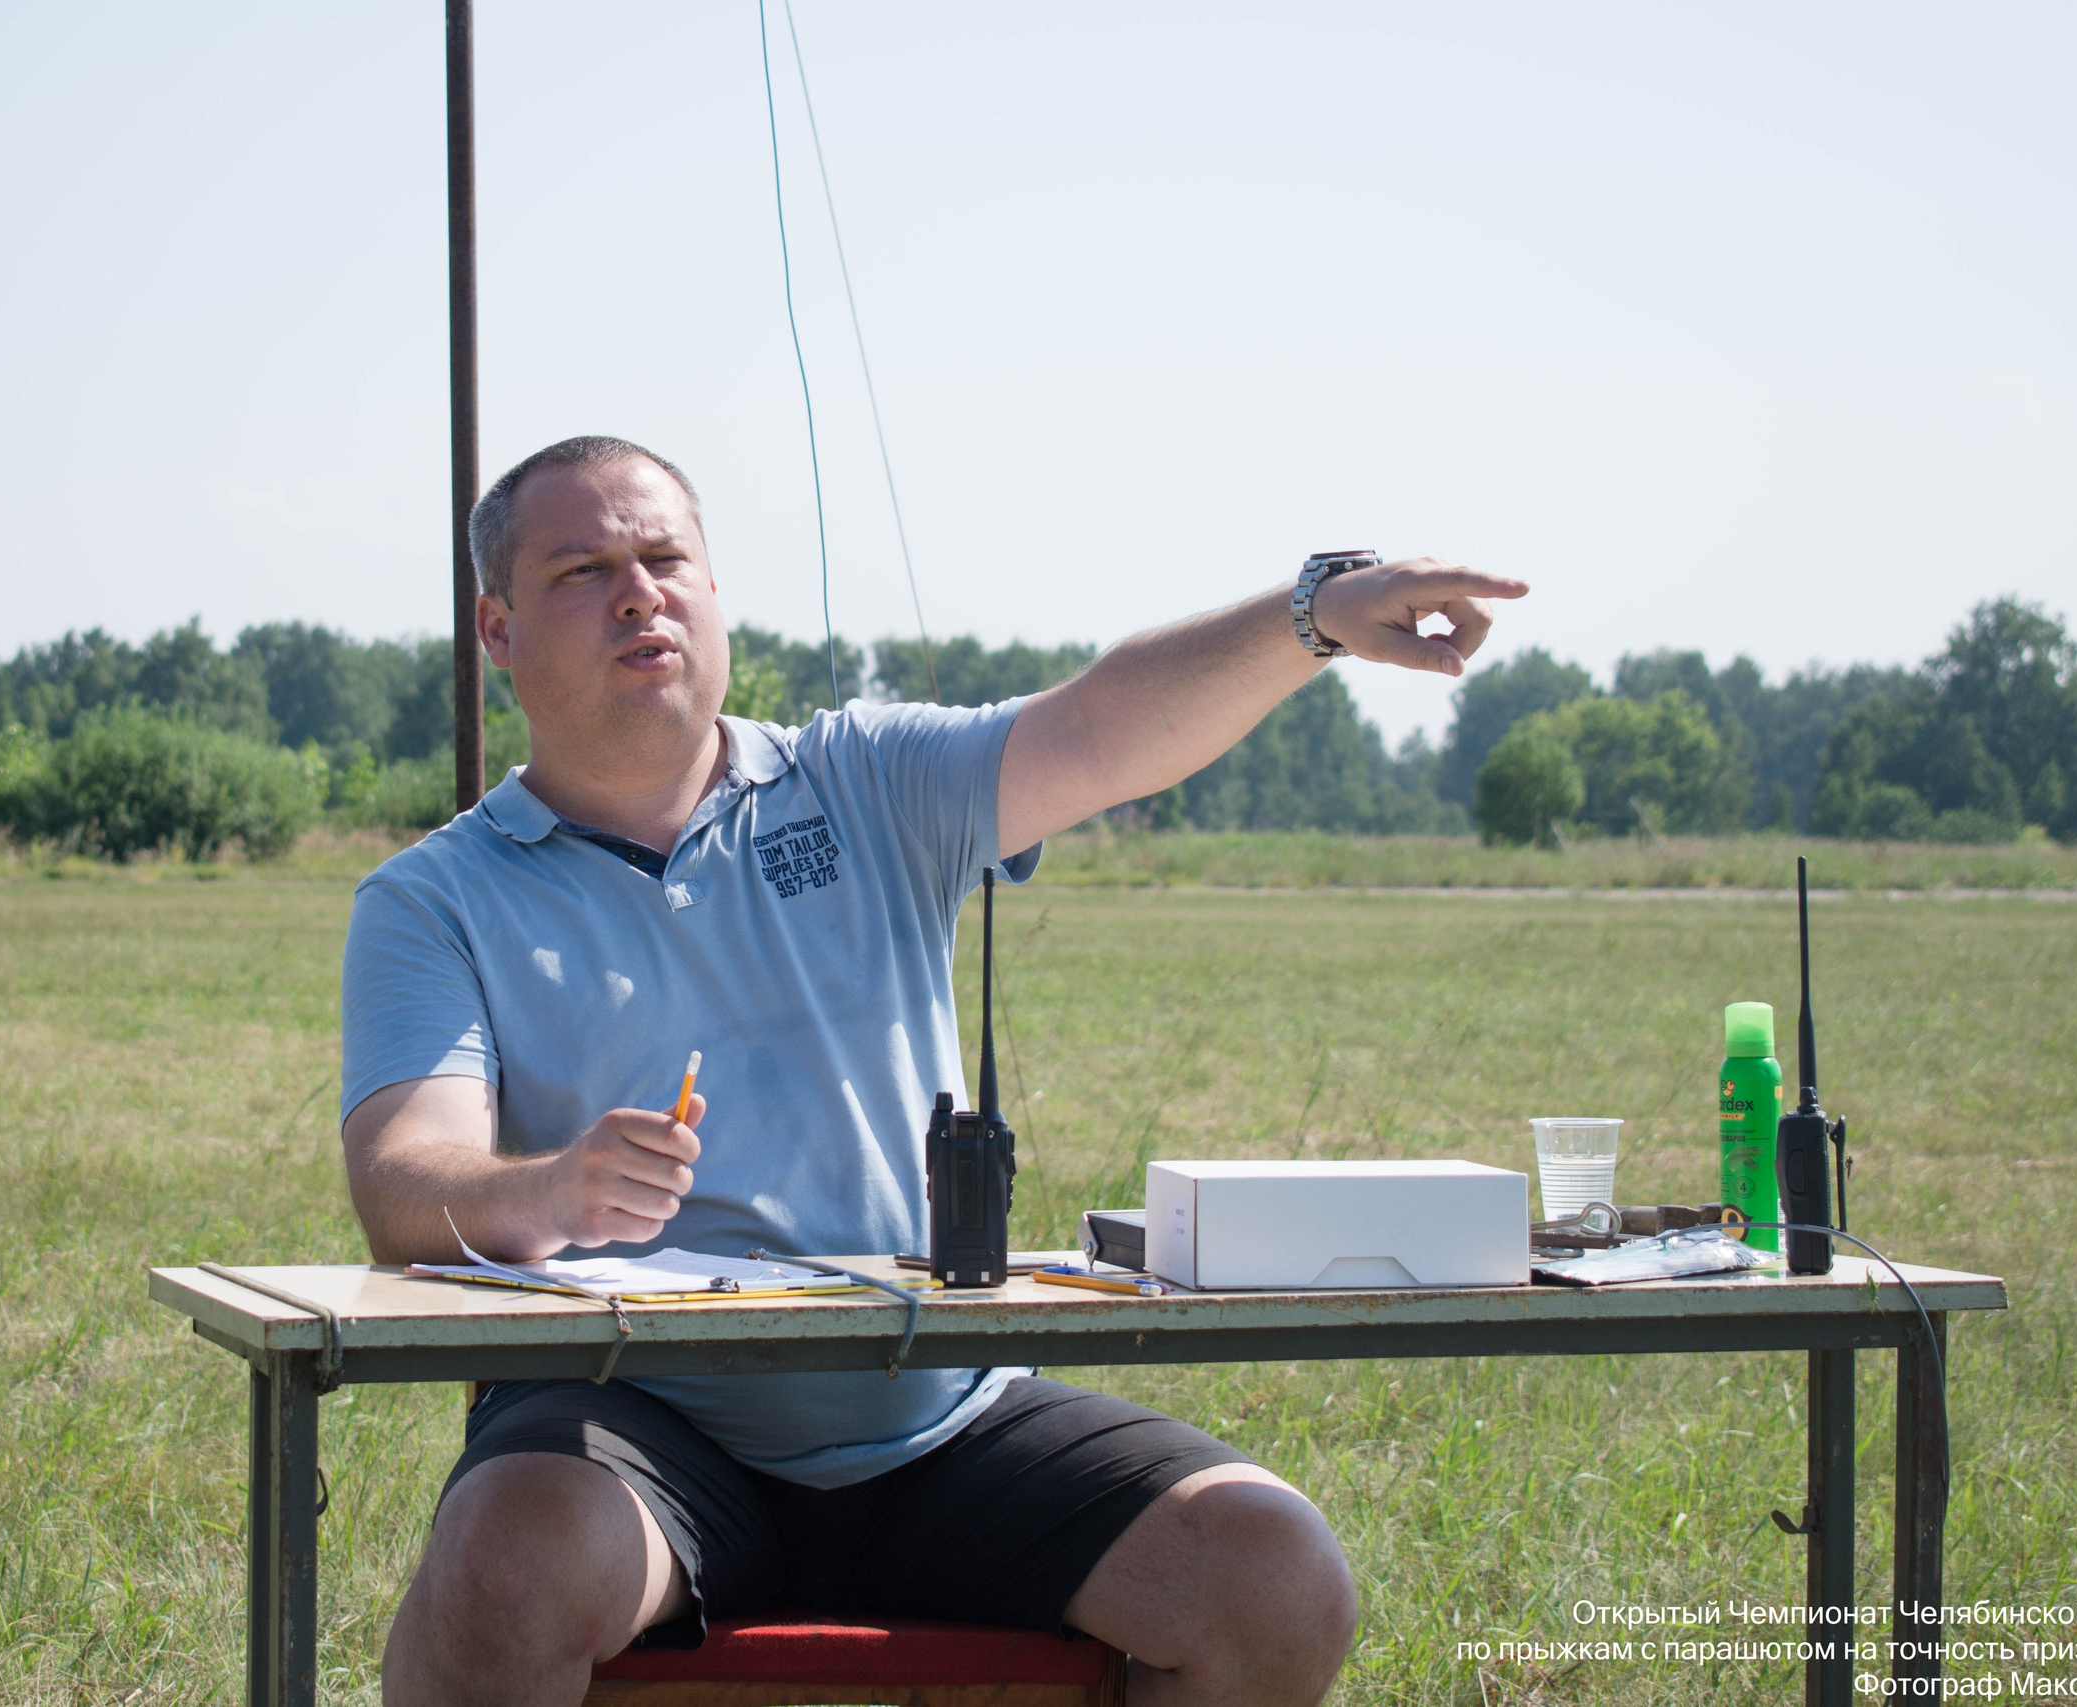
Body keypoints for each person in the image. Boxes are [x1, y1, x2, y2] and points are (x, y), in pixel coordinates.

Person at [341, 435, 1527, 1707]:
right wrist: (550, 1193)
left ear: (714, 591)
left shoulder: (864, 781)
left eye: (665, 557)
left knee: (1271, 1575)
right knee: (501, 1572)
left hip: (938, 1410)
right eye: (583, 569)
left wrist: (1315, 615)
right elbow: (405, 1180)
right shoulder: (437, 897)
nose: (640, 592)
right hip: (628, 1420)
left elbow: (1099, 723)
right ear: (498, 628)